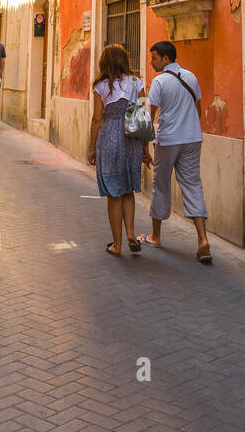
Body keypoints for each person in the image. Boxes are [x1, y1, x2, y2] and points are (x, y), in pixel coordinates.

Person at [139, 40, 212, 264]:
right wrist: (187, 126)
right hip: (192, 138)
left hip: (169, 140)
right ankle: (202, 240)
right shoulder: (191, 76)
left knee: (161, 186)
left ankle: (156, 236)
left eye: (154, 58)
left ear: (166, 59)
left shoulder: (159, 82)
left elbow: (149, 116)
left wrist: (144, 146)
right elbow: (198, 108)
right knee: (193, 185)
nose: (151, 63)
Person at [87, 44, 151, 257]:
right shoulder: (137, 82)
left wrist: (92, 147)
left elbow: (97, 119)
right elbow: (143, 116)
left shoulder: (101, 85)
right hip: (132, 138)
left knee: (114, 193)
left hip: (110, 136)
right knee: (127, 191)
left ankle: (117, 244)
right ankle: (131, 234)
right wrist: (145, 147)